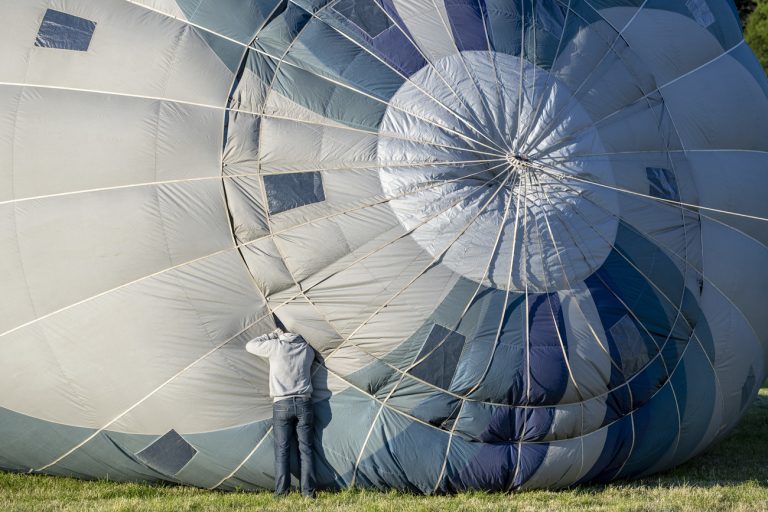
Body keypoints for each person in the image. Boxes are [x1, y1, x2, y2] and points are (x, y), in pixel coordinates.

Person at [245, 317, 316, 498]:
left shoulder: (275, 346)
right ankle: (308, 493)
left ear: (282, 332)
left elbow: (250, 345)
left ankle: (281, 493)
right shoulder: (308, 350)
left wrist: (272, 335)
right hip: (304, 403)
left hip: (282, 403)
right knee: (306, 450)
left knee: (282, 450)